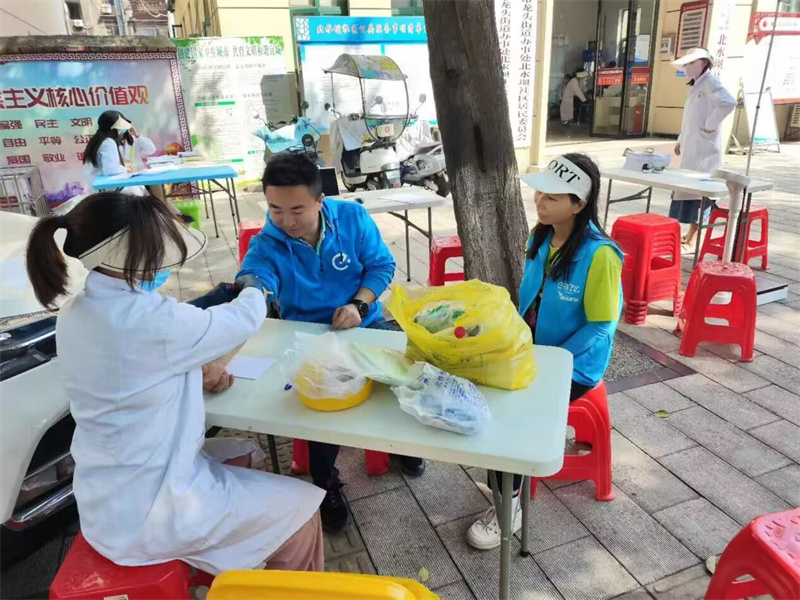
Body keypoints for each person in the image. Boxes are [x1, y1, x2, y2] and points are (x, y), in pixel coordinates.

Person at [26, 191, 325, 574]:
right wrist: (256, 286)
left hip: (106, 495)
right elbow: (240, 320)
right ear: (127, 253)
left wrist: (191, 374)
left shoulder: (75, 313)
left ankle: (235, 560)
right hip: (154, 512)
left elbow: (127, 374)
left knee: (245, 452)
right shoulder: (153, 320)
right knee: (301, 511)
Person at [237, 153, 425, 532]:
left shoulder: (352, 218)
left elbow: (382, 266)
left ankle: (401, 447)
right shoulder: (268, 243)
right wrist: (251, 291)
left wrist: (359, 304)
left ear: (320, 201)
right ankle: (325, 483)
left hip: (364, 322)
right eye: (275, 210)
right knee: (320, 407)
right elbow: (253, 276)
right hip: (307, 336)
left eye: (297, 210)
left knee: (409, 378)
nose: (286, 221)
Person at [466, 153, 622, 550]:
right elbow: (531, 301)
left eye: (553, 196)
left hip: (574, 364)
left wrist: (554, 361)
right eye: (541, 192)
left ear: (579, 204)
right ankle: (505, 481)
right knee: (483, 386)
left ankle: (509, 505)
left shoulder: (600, 255)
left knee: (512, 413)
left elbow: (601, 325)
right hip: (533, 349)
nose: (540, 201)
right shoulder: (541, 236)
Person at [669, 48, 736, 254]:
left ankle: (694, 239)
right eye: (686, 64)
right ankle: (689, 235)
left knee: (700, 196)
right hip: (692, 148)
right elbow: (690, 118)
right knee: (689, 192)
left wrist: (709, 125)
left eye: (691, 63)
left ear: (704, 63)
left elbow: (728, 102)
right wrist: (681, 140)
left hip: (705, 152)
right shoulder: (697, 85)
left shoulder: (710, 83)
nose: (687, 67)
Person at [83, 110, 157, 196]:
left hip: (109, 185)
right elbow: (110, 170)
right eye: (121, 128)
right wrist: (128, 170)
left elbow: (151, 149)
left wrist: (137, 135)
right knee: (137, 192)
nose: (123, 130)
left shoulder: (99, 141)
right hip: (110, 187)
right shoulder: (108, 142)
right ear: (115, 129)